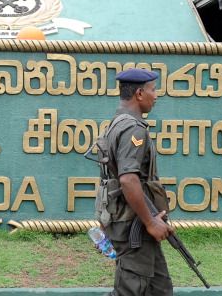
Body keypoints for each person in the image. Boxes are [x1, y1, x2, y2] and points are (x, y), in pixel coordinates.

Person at [96, 68, 175, 296]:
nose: (156, 95)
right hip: (134, 224)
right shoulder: (133, 129)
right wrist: (150, 222)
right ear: (139, 94)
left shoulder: (116, 124)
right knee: (130, 290)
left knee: (159, 288)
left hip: (132, 221)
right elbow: (128, 180)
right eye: (153, 90)